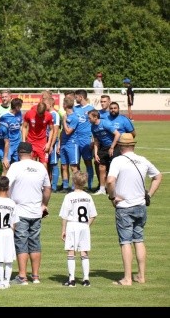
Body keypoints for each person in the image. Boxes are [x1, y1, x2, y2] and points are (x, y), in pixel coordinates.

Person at [106, 133, 162, 286]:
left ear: (120, 146)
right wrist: (148, 195)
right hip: (140, 205)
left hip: (124, 206)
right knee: (139, 240)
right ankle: (141, 276)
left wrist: (113, 197)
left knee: (125, 242)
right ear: (133, 145)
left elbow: (110, 181)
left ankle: (127, 278)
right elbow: (158, 176)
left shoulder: (118, 160)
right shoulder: (142, 160)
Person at [7, 142, 51, 285]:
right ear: (32, 153)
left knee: (21, 243)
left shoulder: (15, 166)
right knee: (35, 243)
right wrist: (44, 205)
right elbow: (47, 189)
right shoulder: (40, 167)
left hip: (19, 211)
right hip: (36, 211)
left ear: (19, 153)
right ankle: (36, 276)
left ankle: (22, 276)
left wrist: (8, 203)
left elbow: (6, 185)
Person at [59, 171, 97, 287]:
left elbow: (64, 215)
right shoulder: (88, 197)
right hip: (84, 225)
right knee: (84, 251)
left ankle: (72, 279)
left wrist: (63, 230)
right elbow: (93, 215)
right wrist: (86, 225)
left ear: (73, 181)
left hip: (72, 224)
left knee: (71, 251)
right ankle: (86, 279)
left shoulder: (69, 196)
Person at [0, 176, 17, 290]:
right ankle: (7, 281)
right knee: (8, 258)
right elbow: (14, 222)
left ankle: (1, 281)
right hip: (8, 231)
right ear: (8, 187)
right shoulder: (12, 203)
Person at [88, 109, 120, 195]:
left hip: (114, 146)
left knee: (114, 167)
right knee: (101, 167)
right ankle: (102, 189)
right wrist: (95, 154)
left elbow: (117, 134)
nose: (88, 120)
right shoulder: (93, 127)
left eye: (89, 118)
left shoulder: (105, 123)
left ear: (95, 117)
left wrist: (112, 147)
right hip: (103, 148)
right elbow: (96, 141)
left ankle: (116, 188)